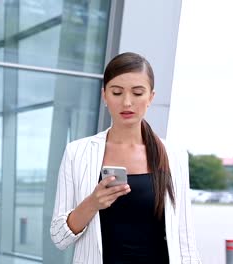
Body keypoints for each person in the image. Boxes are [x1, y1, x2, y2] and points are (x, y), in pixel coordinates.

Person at [50, 52, 201, 264]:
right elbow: (59, 237)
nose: (127, 102)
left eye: (138, 93)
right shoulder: (77, 153)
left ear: (151, 97)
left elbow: (185, 238)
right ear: (104, 95)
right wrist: (92, 203)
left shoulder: (173, 155)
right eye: (117, 92)